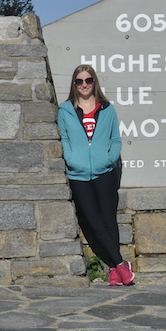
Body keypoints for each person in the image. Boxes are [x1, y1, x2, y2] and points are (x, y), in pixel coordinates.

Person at [57, 64, 134, 286]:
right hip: (78, 175)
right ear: (74, 84)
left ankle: (113, 271)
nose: (84, 85)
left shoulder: (107, 109)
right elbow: (64, 140)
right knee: (92, 221)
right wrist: (72, 159)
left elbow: (115, 139)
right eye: (79, 81)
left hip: (105, 172)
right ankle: (120, 264)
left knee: (109, 220)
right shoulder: (66, 111)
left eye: (88, 80)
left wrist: (108, 159)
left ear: (94, 82)